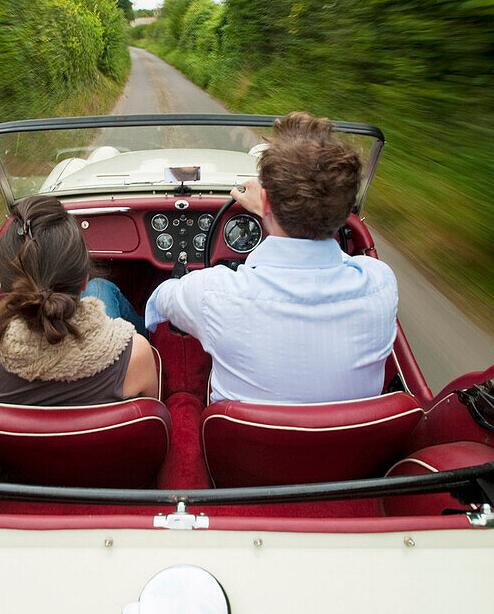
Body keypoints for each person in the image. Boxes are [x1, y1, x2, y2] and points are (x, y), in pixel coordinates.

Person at [145, 111, 398, 403]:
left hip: (239, 448)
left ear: (264, 201)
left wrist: (267, 210)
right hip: (349, 445)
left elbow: (159, 303)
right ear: (345, 211)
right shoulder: (381, 283)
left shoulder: (212, 292)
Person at [0, 195, 158, 405]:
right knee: (102, 288)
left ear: (7, 291)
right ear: (83, 281)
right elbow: (151, 410)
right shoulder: (135, 355)